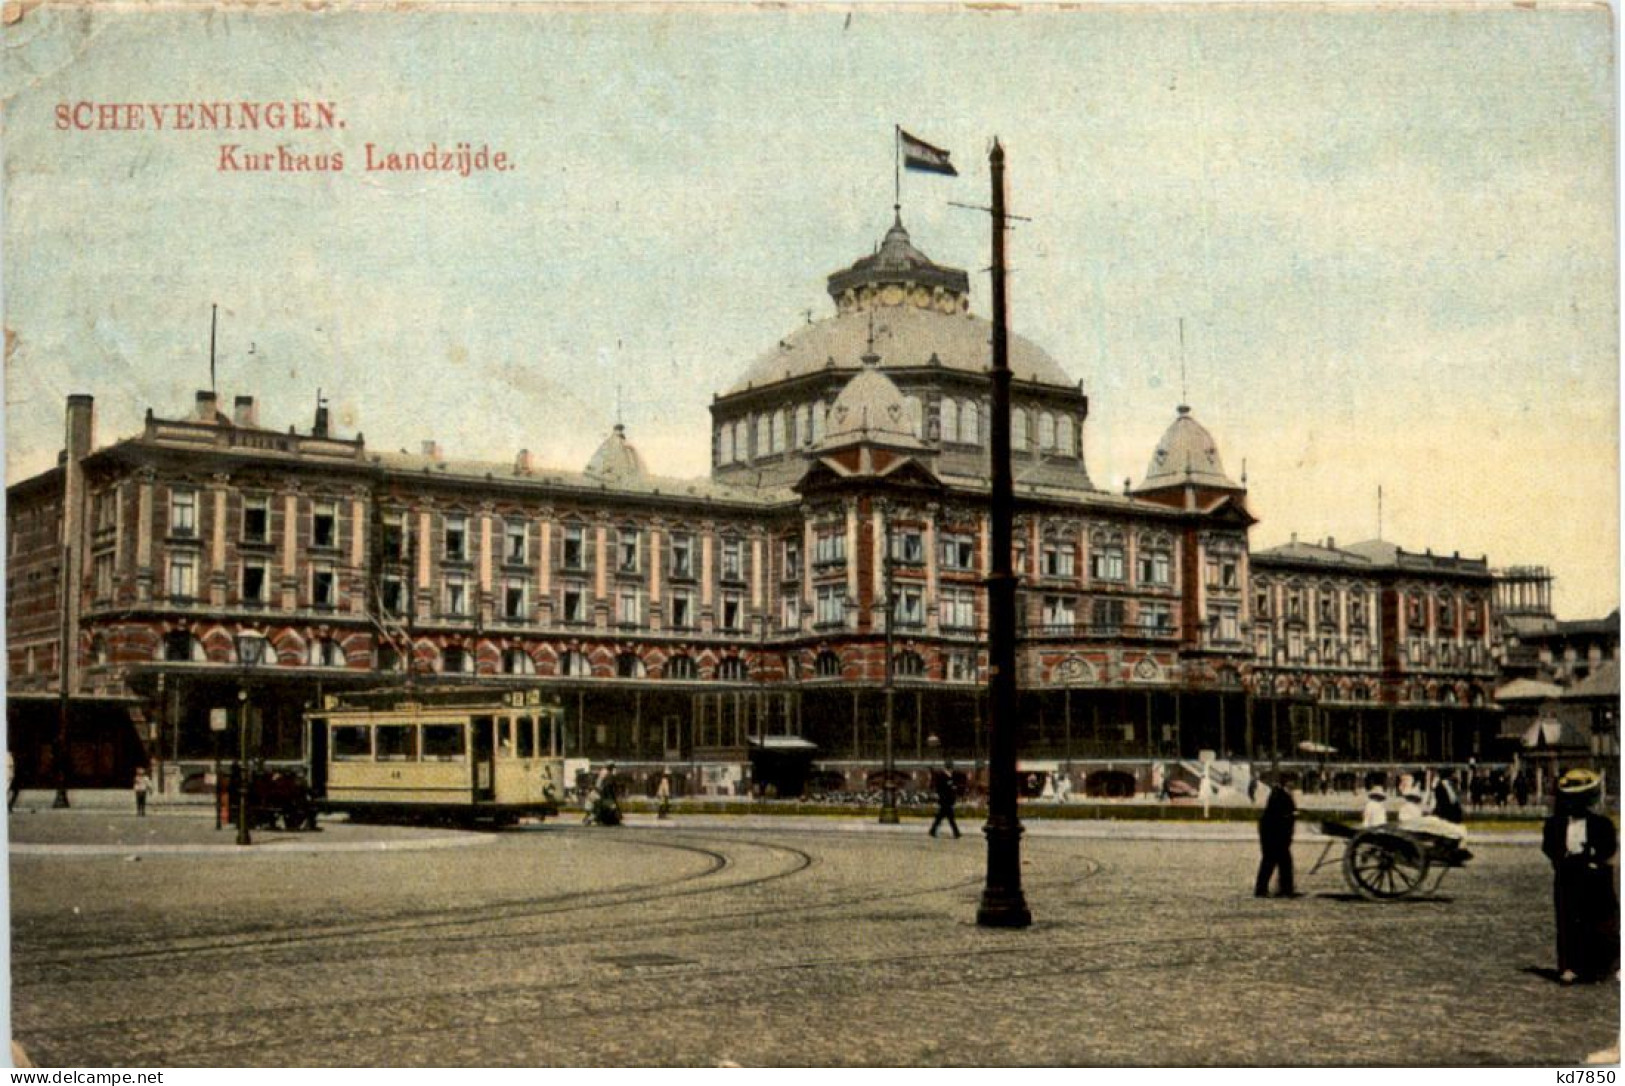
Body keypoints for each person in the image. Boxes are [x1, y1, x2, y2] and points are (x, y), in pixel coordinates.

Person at [1541, 768, 1619, 984]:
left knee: (1595, 922)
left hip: (1594, 878)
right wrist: (1562, 858)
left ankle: (1596, 967)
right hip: (1568, 876)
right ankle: (1568, 966)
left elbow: (1609, 848)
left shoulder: (1601, 824)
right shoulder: (1555, 824)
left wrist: (1594, 856)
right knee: (1567, 922)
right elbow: (1549, 847)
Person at [1254, 778, 1297, 898]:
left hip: (1275, 835)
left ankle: (1284, 889)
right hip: (1274, 835)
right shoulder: (1280, 796)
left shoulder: (1280, 795)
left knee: (1280, 862)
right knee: (1274, 861)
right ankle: (1266, 889)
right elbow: (1281, 816)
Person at [929, 762, 961, 839]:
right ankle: (956, 833)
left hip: (946, 801)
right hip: (945, 800)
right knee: (950, 818)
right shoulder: (942, 776)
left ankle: (933, 831)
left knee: (941, 817)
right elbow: (941, 788)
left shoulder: (948, 777)